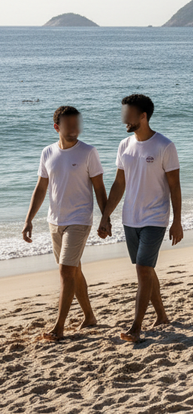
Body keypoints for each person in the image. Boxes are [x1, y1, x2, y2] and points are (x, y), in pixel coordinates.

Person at [98, 94, 183, 343]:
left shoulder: (164, 146)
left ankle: (136, 326)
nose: (124, 119)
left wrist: (177, 221)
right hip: (129, 218)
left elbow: (175, 186)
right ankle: (162, 315)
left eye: (129, 114)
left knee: (143, 269)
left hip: (155, 218)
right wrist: (105, 216)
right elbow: (119, 184)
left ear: (143, 116)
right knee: (146, 269)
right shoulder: (124, 146)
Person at [22, 106, 106, 342]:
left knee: (65, 271)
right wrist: (29, 219)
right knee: (74, 270)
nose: (74, 129)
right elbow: (41, 188)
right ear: (57, 127)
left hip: (79, 220)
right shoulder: (47, 152)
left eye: (76, 124)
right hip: (55, 221)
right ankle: (89, 316)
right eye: (69, 125)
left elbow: (99, 187)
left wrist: (105, 217)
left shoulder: (88, 152)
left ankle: (59, 326)